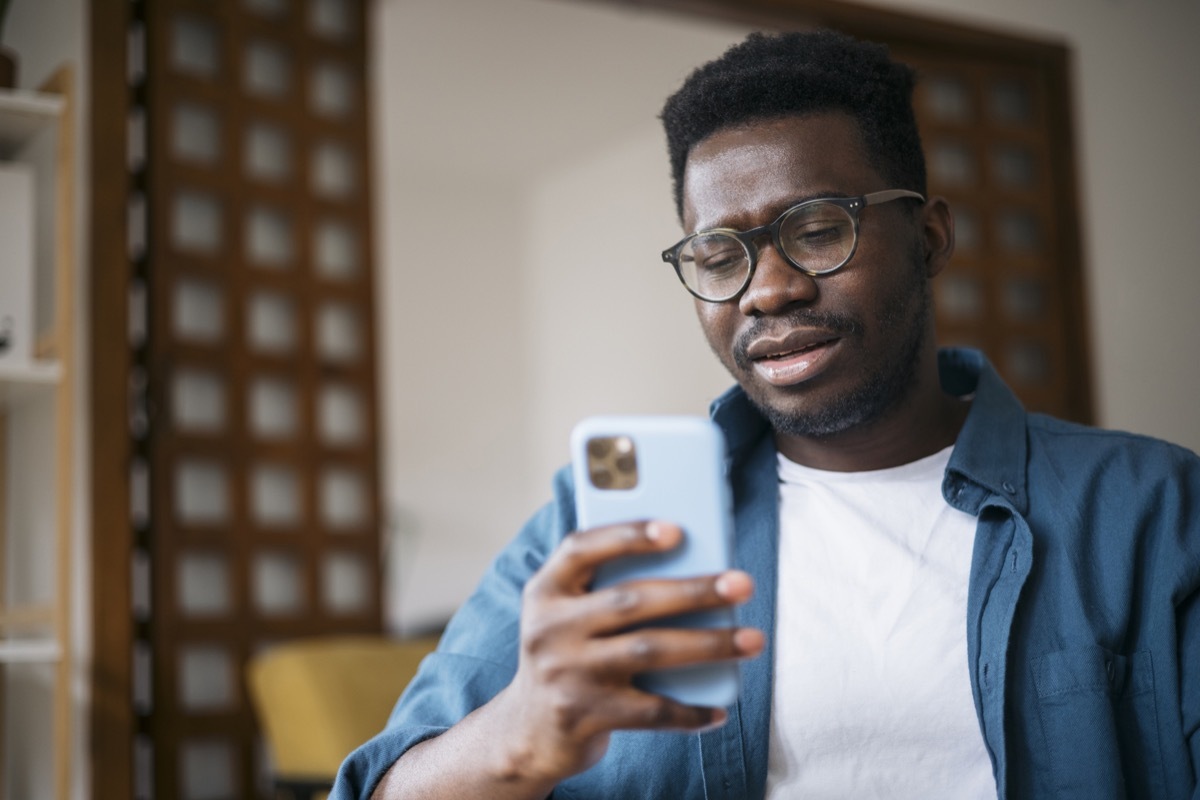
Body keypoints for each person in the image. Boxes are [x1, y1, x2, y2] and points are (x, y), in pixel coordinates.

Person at [333, 30, 1200, 799]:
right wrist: (518, 737)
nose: (768, 290)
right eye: (720, 254)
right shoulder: (597, 528)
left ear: (929, 240)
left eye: (819, 230)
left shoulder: (1153, 509)